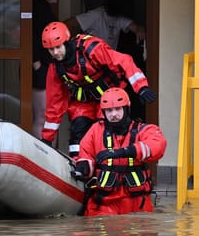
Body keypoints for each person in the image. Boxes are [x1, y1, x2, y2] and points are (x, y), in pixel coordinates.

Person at [40, 21, 156, 158]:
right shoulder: (56, 69)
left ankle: (108, 166)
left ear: (66, 42)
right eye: (51, 49)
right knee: (78, 131)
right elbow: (54, 104)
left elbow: (124, 61)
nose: (55, 52)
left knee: (107, 132)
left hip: (110, 98)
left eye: (58, 47)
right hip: (83, 103)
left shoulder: (91, 49)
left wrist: (141, 87)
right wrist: (47, 138)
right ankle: (79, 167)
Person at [71, 87, 166, 216]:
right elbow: (85, 154)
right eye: (109, 110)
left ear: (126, 109)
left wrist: (125, 152)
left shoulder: (144, 130)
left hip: (137, 203)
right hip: (104, 203)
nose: (113, 114)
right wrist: (83, 167)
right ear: (103, 112)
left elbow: (158, 146)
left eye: (118, 109)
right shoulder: (96, 130)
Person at [64, 0, 145, 54]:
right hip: (92, 61)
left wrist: (140, 30)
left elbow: (136, 27)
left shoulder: (119, 18)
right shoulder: (96, 15)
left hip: (108, 61)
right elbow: (70, 24)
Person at [32, 0, 59, 140]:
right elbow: (32, 36)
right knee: (43, 117)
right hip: (40, 67)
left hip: (40, 66)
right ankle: (42, 157)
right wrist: (36, 63)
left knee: (42, 116)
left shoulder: (33, 4)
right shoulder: (40, 6)